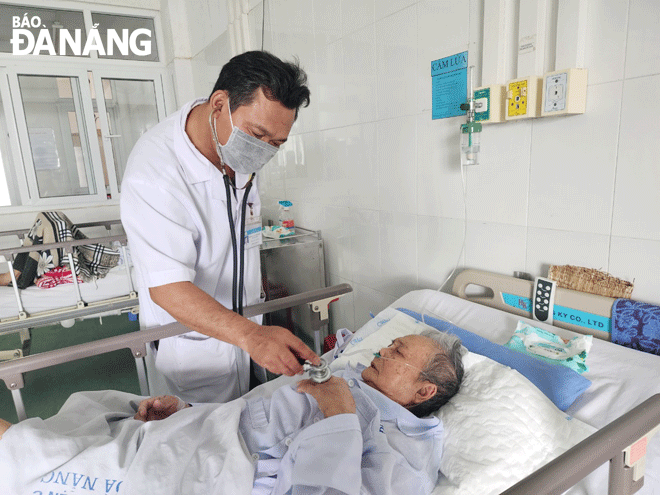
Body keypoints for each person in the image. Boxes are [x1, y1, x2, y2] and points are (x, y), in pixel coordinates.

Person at [0, 330, 465, 495]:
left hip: (220, 468)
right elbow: (256, 410)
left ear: (423, 390)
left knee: (42, 451)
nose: (382, 349)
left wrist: (339, 418)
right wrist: (186, 410)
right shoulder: (347, 377)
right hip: (202, 428)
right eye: (389, 342)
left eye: (397, 351)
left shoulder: (406, 451)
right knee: (98, 407)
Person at [120, 50, 317, 404]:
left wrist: (253, 284)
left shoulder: (237, 152)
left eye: (276, 143)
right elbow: (167, 288)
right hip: (193, 346)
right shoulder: (155, 172)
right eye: (257, 135)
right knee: (198, 441)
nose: (263, 151)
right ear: (219, 103)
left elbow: (236, 233)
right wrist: (252, 337)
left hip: (244, 329)